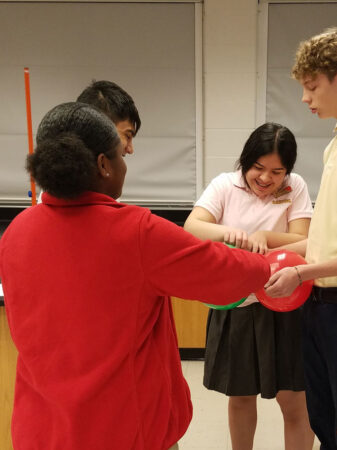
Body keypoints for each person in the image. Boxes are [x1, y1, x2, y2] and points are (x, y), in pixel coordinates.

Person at [0, 102, 270, 450]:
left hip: (43, 430)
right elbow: (229, 275)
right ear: (103, 165)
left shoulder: (16, 232)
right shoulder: (136, 232)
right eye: (120, 155)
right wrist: (269, 261)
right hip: (124, 431)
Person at [184, 122, 314, 450]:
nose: (267, 179)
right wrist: (230, 234)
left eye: (277, 171)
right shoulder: (225, 185)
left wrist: (266, 238)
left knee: (293, 398)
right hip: (237, 305)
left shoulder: (295, 186)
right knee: (240, 397)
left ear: (288, 171)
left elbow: (304, 241)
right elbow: (192, 226)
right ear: (246, 161)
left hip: (284, 303)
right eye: (258, 168)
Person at [264, 28, 337, 450]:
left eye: (312, 87)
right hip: (318, 306)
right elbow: (323, 238)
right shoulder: (331, 147)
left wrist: (302, 272)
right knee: (323, 418)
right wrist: (266, 252)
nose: (306, 99)